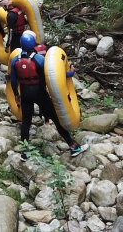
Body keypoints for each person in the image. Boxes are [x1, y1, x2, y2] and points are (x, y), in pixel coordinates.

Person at [10, 30, 86, 158]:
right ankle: (73, 146)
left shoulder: (15, 60)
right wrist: (70, 74)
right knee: (56, 119)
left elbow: (13, 80)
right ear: (34, 44)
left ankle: (24, 152)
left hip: (25, 93)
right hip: (39, 92)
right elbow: (53, 76)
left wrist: (16, 94)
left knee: (26, 122)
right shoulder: (39, 59)